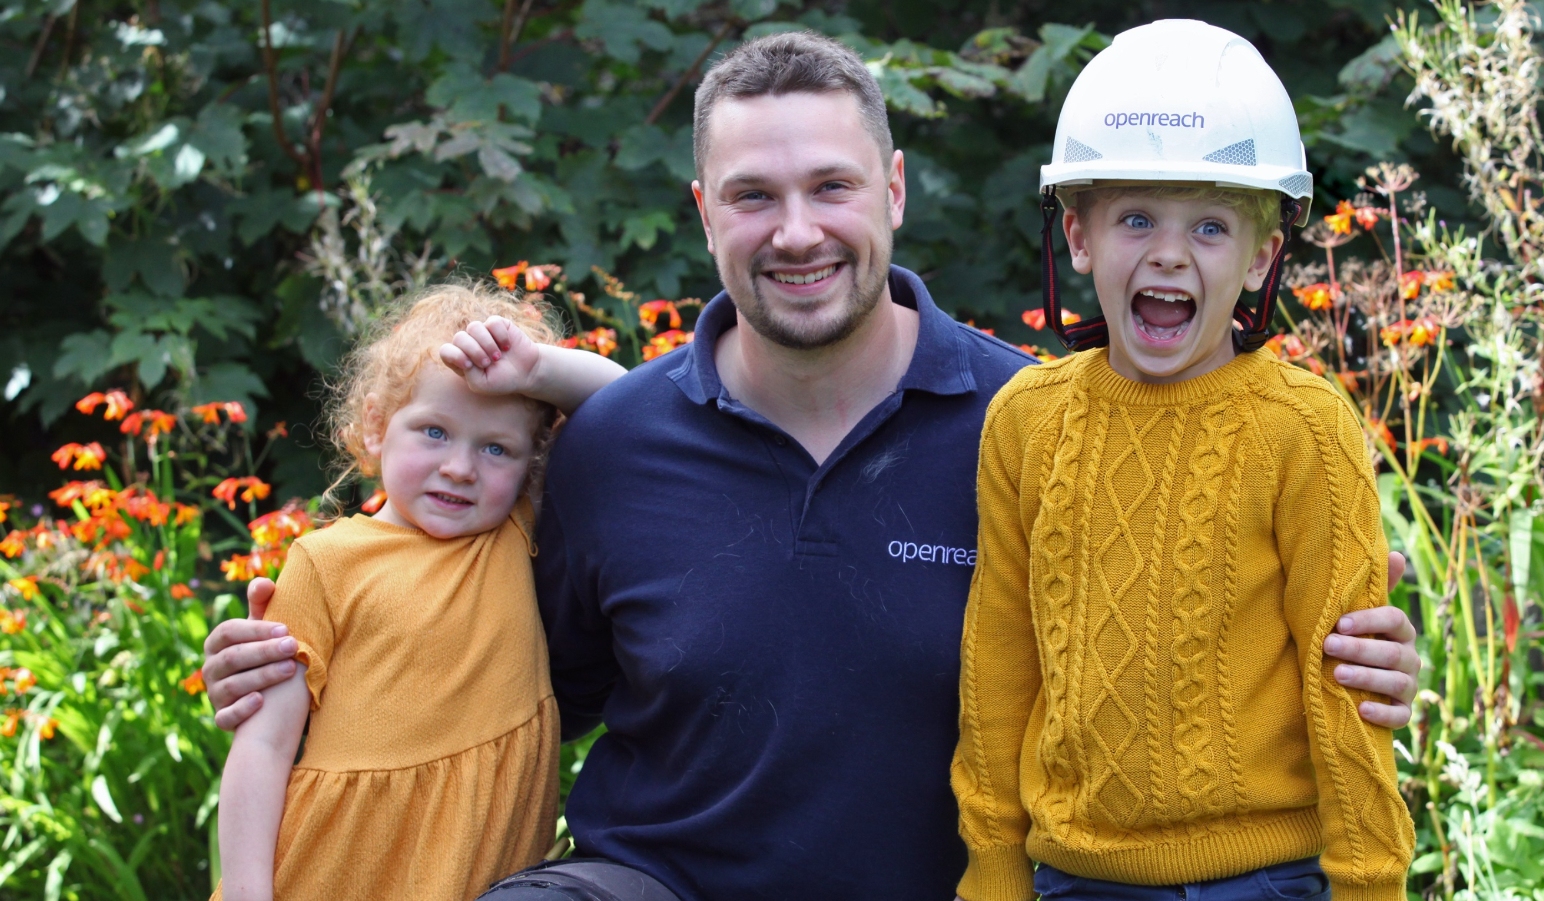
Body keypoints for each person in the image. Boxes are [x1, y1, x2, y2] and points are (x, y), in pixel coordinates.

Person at [200, 32, 1424, 901]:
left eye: (830, 185)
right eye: (753, 195)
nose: (795, 230)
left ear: (891, 189)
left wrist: (1364, 653)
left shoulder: (1030, 422)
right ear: (702, 210)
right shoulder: (617, 445)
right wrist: (302, 665)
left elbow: (1188, 612)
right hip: (655, 881)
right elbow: (506, 671)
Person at [951, 20, 1415, 901]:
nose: (1168, 252)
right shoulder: (1026, 420)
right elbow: (999, 663)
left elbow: (1348, 688)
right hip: (1079, 877)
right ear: (1079, 238)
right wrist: (995, 872)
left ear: (1261, 257)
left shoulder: (1305, 428)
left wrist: (1370, 886)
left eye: (1210, 224)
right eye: (1135, 217)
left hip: (1267, 876)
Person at [212, 282, 625, 901]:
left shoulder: (515, 529)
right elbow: (264, 742)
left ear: (531, 462)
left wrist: (534, 367)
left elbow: (622, 404)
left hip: (482, 866)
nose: (461, 467)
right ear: (376, 428)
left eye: (495, 447)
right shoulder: (326, 562)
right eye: (434, 431)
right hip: (336, 864)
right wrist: (247, 891)